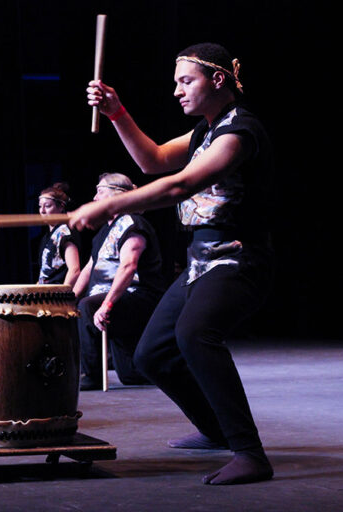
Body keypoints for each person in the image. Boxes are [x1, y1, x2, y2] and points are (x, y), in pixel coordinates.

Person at [73, 43, 275, 485]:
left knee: (195, 333)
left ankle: (250, 452)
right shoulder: (204, 133)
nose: (177, 91)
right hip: (201, 261)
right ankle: (216, 430)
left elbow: (179, 185)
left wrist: (112, 207)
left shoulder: (240, 131)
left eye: (186, 81)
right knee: (152, 353)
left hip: (239, 257)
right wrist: (117, 113)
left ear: (217, 80)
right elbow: (152, 162)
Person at [72, 173, 166, 391]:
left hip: (138, 296)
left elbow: (128, 266)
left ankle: (92, 374)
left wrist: (106, 305)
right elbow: (89, 267)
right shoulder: (105, 231)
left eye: (100, 191)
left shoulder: (133, 224)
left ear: (117, 195)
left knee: (88, 306)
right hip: (115, 297)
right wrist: (69, 297)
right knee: (131, 375)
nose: (94, 198)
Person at [36, 182, 81, 287]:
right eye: (40, 206)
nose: (42, 211)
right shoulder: (47, 236)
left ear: (61, 207)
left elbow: (74, 269)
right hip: (47, 292)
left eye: (47, 206)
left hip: (57, 295)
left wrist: (63, 297)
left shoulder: (64, 232)